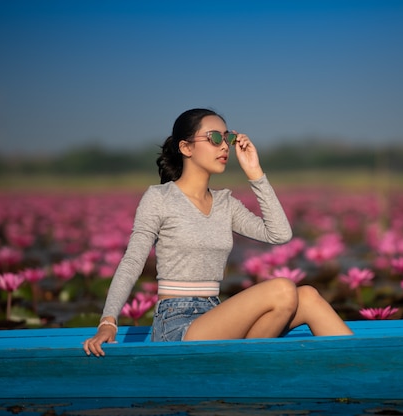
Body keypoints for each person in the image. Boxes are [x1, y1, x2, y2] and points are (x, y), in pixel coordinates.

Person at [83, 108, 352, 356]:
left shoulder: (226, 204)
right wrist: (109, 321)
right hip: (177, 325)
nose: (225, 146)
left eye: (228, 138)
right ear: (186, 147)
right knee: (282, 289)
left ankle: (362, 364)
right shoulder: (159, 198)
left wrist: (255, 173)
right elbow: (132, 262)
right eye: (214, 138)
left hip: (215, 314)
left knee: (307, 296)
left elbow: (279, 234)